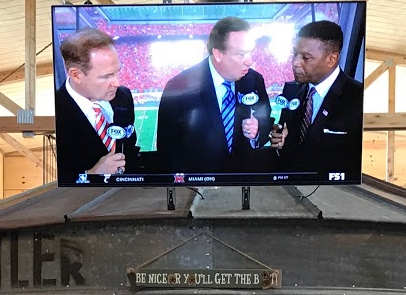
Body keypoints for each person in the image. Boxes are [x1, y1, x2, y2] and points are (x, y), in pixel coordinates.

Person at [154, 16, 272, 176]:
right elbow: (167, 151)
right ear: (217, 54)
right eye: (241, 54)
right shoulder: (178, 88)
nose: (249, 61)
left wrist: (257, 132)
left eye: (250, 53)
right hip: (197, 187)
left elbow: (265, 123)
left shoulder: (255, 80)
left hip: (244, 181)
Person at [270, 19, 364, 176]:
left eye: (306, 57)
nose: (295, 63)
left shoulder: (358, 98)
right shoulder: (291, 91)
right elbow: (284, 147)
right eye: (295, 54)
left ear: (331, 59)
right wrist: (280, 143)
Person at [55, 28, 141, 184]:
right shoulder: (57, 111)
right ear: (76, 75)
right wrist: (92, 174)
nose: (117, 82)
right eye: (107, 76)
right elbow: (54, 182)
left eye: (117, 72)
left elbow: (130, 151)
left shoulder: (123, 97)